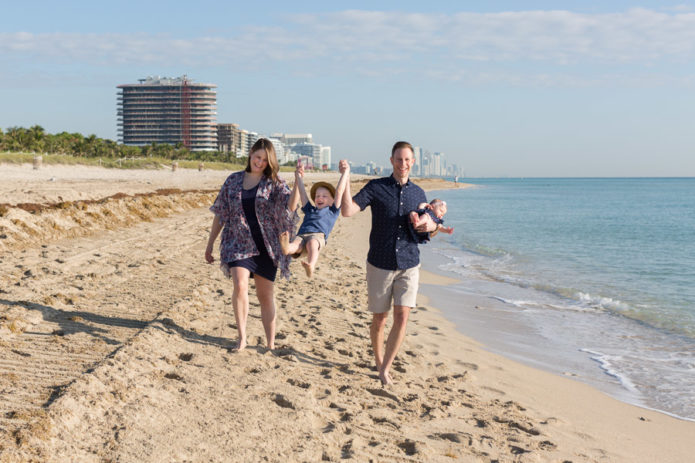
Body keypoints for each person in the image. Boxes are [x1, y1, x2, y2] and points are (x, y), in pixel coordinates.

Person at [339, 141, 438, 386]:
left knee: (402, 316)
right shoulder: (376, 187)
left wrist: (432, 226)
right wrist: (346, 177)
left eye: (407, 160)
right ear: (391, 161)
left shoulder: (419, 194)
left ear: (413, 162)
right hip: (380, 263)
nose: (403, 164)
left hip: (409, 263)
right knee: (380, 319)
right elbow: (348, 210)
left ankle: (385, 368)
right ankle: (379, 359)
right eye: (398, 159)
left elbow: (427, 232)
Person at [205, 138, 296, 351]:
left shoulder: (274, 182)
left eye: (265, 160)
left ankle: (271, 343)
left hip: (266, 246)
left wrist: (298, 181)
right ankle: (242, 338)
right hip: (238, 243)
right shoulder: (233, 181)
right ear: (250, 154)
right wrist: (210, 245)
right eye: (258, 157)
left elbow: (290, 206)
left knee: (265, 296)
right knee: (240, 285)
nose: (260, 162)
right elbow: (220, 214)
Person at [279, 161, 349, 278]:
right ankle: (287, 249)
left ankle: (311, 265)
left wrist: (345, 173)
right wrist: (298, 177)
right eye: (317, 196)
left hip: (318, 236)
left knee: (312, 243)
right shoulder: (310, 209)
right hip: (302, 234)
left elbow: (339, 191)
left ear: (332, 200)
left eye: (324, 196)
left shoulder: (333, 210)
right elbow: (302, 193)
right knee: (296, 244)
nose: (319, 198)